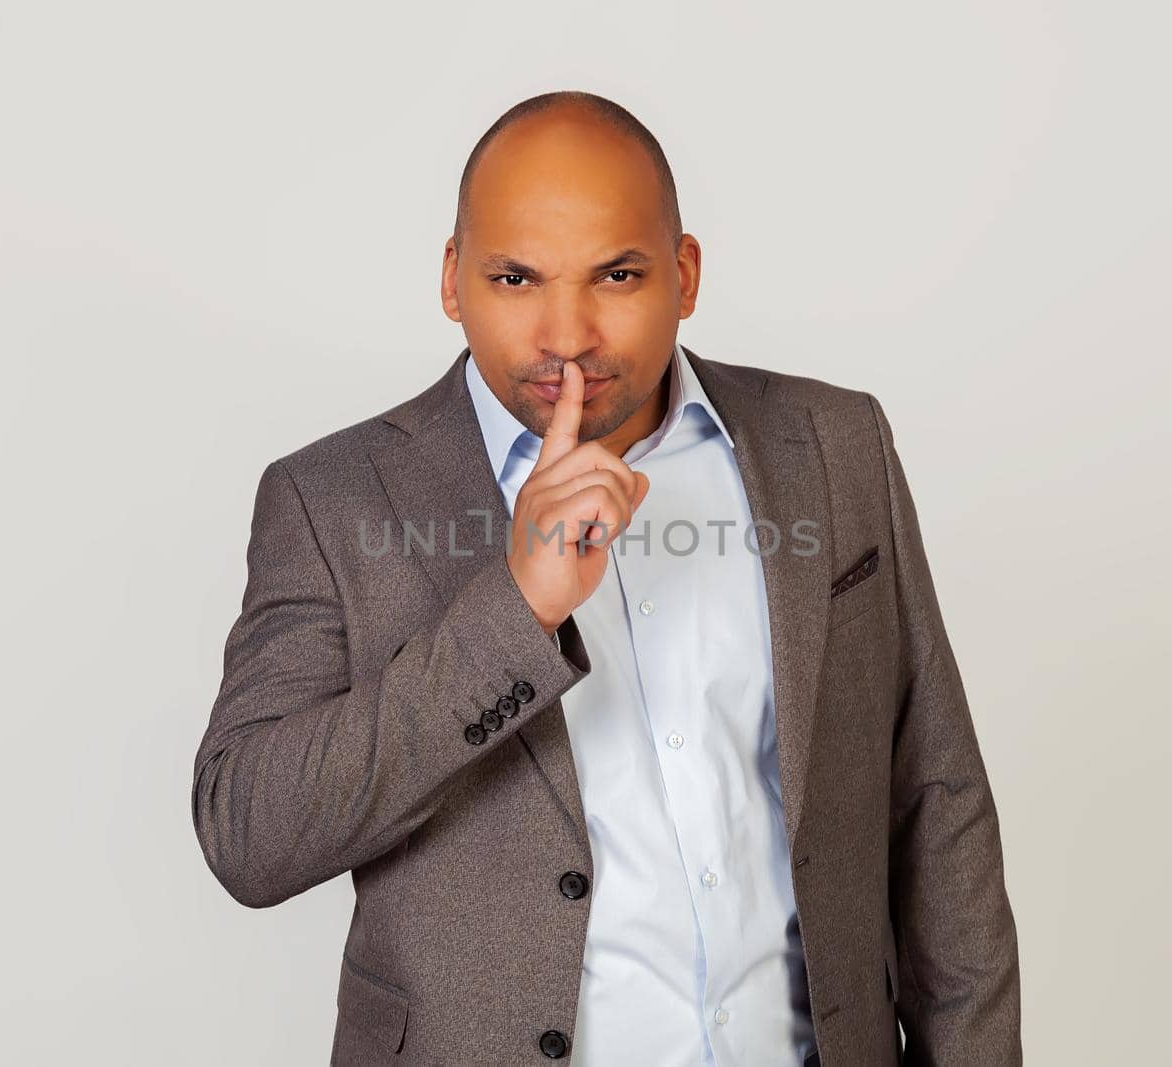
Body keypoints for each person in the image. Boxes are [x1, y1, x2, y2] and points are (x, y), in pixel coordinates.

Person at [191, 90, 1021, 1067]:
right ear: (454, 280)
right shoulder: (334, 500)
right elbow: (250, 831)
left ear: (684, 273)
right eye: (515, 277)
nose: (566, 333)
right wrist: (517, 609)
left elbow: (936, 799)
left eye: (617, 275)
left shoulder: (830, 445)